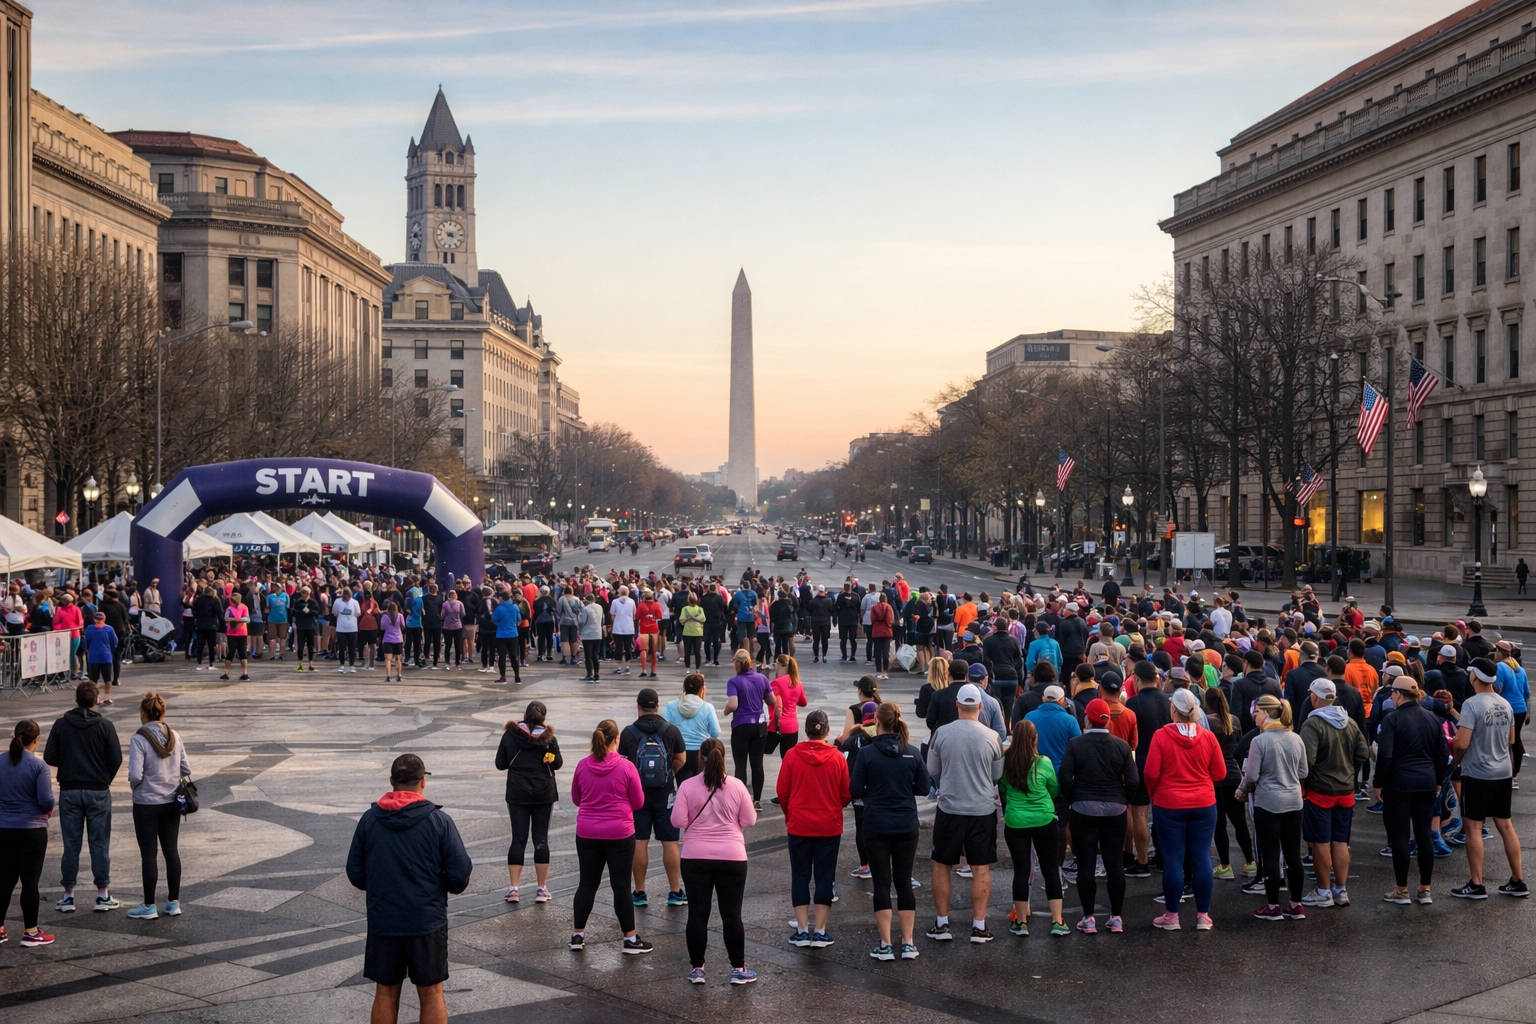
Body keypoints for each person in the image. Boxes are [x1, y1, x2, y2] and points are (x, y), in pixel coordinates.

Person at [347, 753, 472, 1024]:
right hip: (426, 922)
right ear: (422, 782)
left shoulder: (369, 820)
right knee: (431, 993)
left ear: (391, 781)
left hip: (384, 920)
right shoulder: (440, 822)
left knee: (386, 992)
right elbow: (459, 877)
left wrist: (383, 885)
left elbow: (355, 874)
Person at [671, 737, 758, 984]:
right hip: (732, 857)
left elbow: (677, 821)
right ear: (723, 757)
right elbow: (750, 819)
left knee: (698, 914)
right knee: (732, 914)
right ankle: (739, 969)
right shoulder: (737, 786)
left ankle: (698, 968)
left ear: (700, 757)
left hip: (695, 856)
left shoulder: (687, 786)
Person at [849, 702, 930, 960]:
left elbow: (855, 790)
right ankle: (908, 942)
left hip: (876, 824)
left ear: (877, 724)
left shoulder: (867, 754)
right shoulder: (913, 752)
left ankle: (885, 944)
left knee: (881, 882)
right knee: (904, 881)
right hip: (906, 823)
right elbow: (924, 788)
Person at [925, 683, 1005, 943]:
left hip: (950, 807)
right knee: (981, 868)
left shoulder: (941, 733)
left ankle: (942, 923)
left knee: (942, 864)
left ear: (957, 705)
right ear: (981, 706)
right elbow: (996, 776)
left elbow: (933, 770)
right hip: (982, 809)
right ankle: (979, 926)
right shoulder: (992, 736)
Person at [1143, 686, 1226, 930]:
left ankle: (1172, 916)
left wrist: (1154, 794)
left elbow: (1150, 772)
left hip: (1169, 804)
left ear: (1173, 709)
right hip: (1203, 803)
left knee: (1173, 860)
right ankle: (1203, 916)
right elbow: (1220, 773)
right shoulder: (1208, 737)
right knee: (1201, 858)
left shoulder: (1161, 735)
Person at [569, 720, 651, 954]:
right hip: (619, 833)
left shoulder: (583, 765)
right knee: (622, 886)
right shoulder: (626, 768)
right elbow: (638, 802)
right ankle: (630, 939)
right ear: (617, 740)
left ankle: (577, 935)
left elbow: (577, 798)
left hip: (587, 832)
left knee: (586, 883)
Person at [1059, 698, 1138, 934]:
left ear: (1087, 718)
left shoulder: (1075, 744)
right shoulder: (1122, 746)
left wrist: (1074, 797)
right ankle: (1116, 917)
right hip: (1116, 809)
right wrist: (1123, 799)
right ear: (1108, 722)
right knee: (1114, 862)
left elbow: (1064, 777)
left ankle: (1088, 918)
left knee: (1086, 862)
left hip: (1083, 808)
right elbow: (1133, 780)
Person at [1450, 659, 1527, 898]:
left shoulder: (1472, 704)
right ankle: (1517, 880)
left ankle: (1476, 883)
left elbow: (1461, 743)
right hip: (1502, 770)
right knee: (1505, 825)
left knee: (1473, 826)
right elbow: (1512, 740)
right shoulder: (1505, 703)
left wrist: (1456, 759)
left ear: (1474, 676)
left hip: (1478, 772)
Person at [44, 681, 122, 914]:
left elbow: (50, 755)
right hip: (98, 790)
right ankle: (102, 894)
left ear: (76, 700)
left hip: (69, 789)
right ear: (96, 700)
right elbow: (115, 758)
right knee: (99, 843)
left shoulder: (61, 725)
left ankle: (68, 896)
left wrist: (68, 765)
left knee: (71, 845)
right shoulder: (105, 726)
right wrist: (103, 776)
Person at [1376, 676, 1451, 905]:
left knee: (1399, 836)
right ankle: (1425, 888)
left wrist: (1378, 783)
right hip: (1426, 782)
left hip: (1399, 783)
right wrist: (1438, 780)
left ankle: (1401, 890)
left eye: (1393, 695)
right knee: (1424, 834)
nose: (1392, 698)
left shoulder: (1393, 719)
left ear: (1398, 694)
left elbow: (1385, 754)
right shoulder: (1432, 718)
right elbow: (1441, 755)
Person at [777, 709, 849, 947]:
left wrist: (791, 813)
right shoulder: (837, 758)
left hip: (799, 824)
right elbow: (845, 794)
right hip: (828, 824)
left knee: (799, 875)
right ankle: (819, 930)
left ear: (805, 730)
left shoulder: (792, 755)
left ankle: (800, 929)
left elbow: (782, 792)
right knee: (824, 876)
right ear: (827, 731)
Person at [1298, 679, 1370, 908]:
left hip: (1320, 792)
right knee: (1340, 841)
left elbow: (1306, 761)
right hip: (1346, 791)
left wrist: (1307, 780)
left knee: (1320, 842)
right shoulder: (1348, 722)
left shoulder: (1313, 724)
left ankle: (1323, 892)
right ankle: (1341, 890)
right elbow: (1362, 753)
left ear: (1314, 697)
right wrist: (1350, 771)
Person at [1236, 694, 1308, 921]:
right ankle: (1296, 904)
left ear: (1266, 713)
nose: (1254, 717)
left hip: (1268, 802)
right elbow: (1304, 772)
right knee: (1293, 853)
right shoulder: (1296, 738)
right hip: (1294, 802)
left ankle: (1273, 905)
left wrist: (1242, 790)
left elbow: (1251, 775)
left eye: (1257, 712)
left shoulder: (1260, 741)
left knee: (1270, 854)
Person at [125, 693, 191, 921]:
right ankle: (174, 902)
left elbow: (135, 774)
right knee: (171, 851)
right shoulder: (174, 735)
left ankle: (149, 905)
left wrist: (137, 787)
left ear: (143, 713)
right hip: (172, 802)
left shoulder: (139, 739)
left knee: (149, 854)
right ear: (163, 713)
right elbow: (186, 768)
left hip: (146, 803)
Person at [619, 688, 688, 908]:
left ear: (638, 706)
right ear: (657, 706)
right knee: (670, 842)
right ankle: (675, 891)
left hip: (637, 795)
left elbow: (623, 764)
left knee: (640, 841)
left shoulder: (629, 732)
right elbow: (681, 759)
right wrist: (667, 775)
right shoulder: (671, 730)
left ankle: (639, 892)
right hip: (665, 793)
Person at [997, 719, 1065, 937]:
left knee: (1021, 871)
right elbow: (1053, 790)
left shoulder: (1006, 762)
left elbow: (1004, 789)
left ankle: (1021, 922)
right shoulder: (1044, 762)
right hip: (1044, 820)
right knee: (1050, 869)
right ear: (1035, 739)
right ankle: (1057, 921)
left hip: (1016, 821)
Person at [495, 701, 563, 904]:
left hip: (517, 793)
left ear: (524, 715)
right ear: (544, 718)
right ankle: (541, 889)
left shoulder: (510, 735)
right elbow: (558, 763)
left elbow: (500, 764)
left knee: (518, 839)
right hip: (544, 793)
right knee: (541, 839)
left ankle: (513, 889)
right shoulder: (549, 737)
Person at [0, 719, 55, 946]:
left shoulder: (0, 761)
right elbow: (45, 799)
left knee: (4, 880)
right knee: (30, 882)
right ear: (37, 739)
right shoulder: (38, 766)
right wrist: (48, 809)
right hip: (32, 829)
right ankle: (31, 932)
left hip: (3, 828)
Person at [1203, 687, 1255, 883]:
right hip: (1234, 775)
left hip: (1215, 777)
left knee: (1220, 824)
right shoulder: (1234, 720)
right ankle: (1250, 862)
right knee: (1239, 821)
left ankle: (1225, 865)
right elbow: (1240, 746)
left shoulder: (1207, 722)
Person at [724, 650, 777, 807]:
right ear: (751, 662)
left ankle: (741, 801)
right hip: (759, 727)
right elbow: (772, 700)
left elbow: (733, 704)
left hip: (741, 725)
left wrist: (726, 711)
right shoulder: (762, 678)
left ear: (736, 663)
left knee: (740, 765)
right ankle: (757, 800)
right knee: (757, 763)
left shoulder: (734, 681)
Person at [664, 673, 721, 783]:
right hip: (700, 752)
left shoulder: (671, 705)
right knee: (700, 785)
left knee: (683, 785)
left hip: (679, 752)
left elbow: (665, 728)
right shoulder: (707, 707)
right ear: (701, 689)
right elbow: (715, 732)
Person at [771, 655, 809, 762]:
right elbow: (803, 702)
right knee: (788, 760)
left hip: (776, 726)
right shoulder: (797, 682)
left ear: (779, 665)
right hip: (792, 727)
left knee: (761, 750)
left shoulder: (776, 683)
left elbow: (773, 702)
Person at [82, 611, 119, 705]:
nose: (98, 621)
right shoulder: (104, 629)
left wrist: (87, 649)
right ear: (94, 619)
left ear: (104, 619)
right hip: (98, 657)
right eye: (97, 619)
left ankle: (105, 697)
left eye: (100, 619)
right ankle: (96, 698)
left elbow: (86, 642)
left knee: (106, 679)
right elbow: (114, 642)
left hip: (102, 657)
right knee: (94, 680)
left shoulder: (108, 629)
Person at [291, 587, 322, 672]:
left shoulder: (313, 602)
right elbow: (294, 613)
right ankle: (300, 664)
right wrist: (300, 612)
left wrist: (310, 611)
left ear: (309, 593)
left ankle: (310, 664)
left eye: (305, 593)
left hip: (310, 626)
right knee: (300, 646)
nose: (303, 595)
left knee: (310, 646)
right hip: (300, 626)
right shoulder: (298, 602)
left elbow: (317, 613)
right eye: (302, 593)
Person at [332, 587, 361, 674]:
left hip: (352, 628)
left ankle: (352, 665)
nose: (347, 598)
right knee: (342, 647)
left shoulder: (355, 602)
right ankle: (342, 664)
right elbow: (334, 612)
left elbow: (358, 613)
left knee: (352, 648)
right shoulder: (337, 601)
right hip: (341, 628)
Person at [379, 601, 406, 682]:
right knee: (398, 659)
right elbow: (403, 626)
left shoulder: (384, 617)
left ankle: (388, 676)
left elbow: (382, 628)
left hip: (387, 639)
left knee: (388, 660)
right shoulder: (400, 616)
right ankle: (399, 675)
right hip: (398, 639)